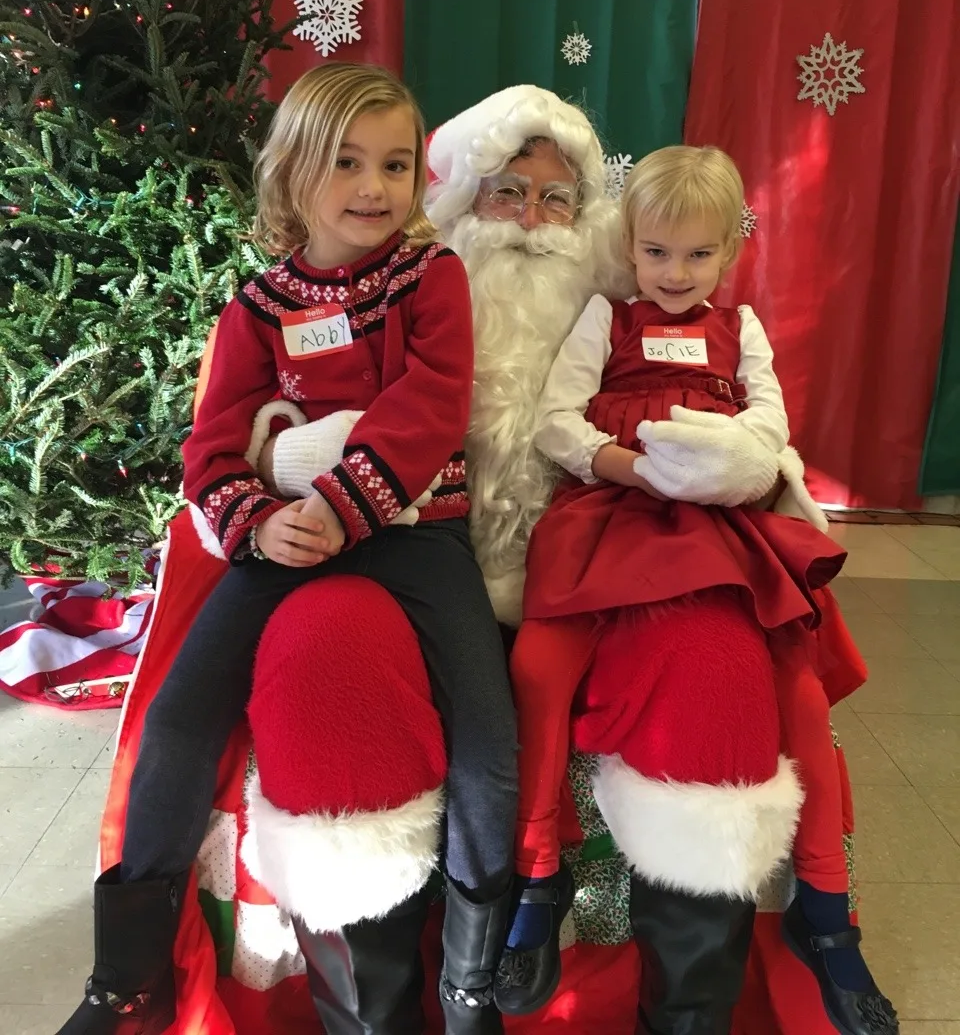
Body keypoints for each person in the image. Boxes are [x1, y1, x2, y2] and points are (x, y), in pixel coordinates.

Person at [252, 89, 822, 1033]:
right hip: (394, 550)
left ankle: (684, 1017)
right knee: (326, 659)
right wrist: (285, 454)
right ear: (458, 202)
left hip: (606, 553)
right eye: (506, 193)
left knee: (715, 674)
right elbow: (256, 416)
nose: (528, 223)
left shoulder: (624, 314)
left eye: (555, 201)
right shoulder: (381, 287)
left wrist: (746, 462)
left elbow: (745, 421)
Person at [58, 63, 518, 1035]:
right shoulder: (257, 306)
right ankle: (123, 978)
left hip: (413, 534)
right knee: (178, 720)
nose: (375, 185)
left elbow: (435, 402)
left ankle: (470, 986)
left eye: (397, 163)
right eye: (347, 161)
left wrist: (344, 505)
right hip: (285, 541)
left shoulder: (433, 277)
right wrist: (259, 522)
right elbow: (212, 447)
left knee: (489, 739)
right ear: (293, 172)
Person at [497, 145, 898, 1035]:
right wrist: (632, 467)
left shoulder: (742, 327)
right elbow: (557, 421)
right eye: (656, 253)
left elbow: (769, 424)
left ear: (729, 253)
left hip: (720, 527)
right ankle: (535, 873)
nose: (675, 274)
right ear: (629, 246)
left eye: (698, 255)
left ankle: (827, 915)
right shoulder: (605, 317)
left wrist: (732, 467)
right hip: (611, 514)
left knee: (793, 682)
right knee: (537, 667)